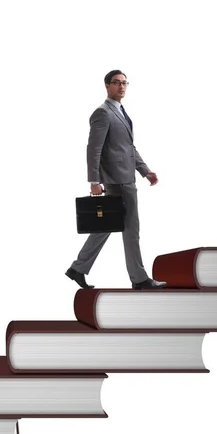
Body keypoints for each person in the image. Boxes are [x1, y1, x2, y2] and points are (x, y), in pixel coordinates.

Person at [66, 70, 167, 290]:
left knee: (108, 224)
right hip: (118, 180)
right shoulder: (102, 113)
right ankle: (139, 279)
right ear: (107, 86)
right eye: (116, 82)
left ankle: (78, 268)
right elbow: (94, 149)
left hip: (126, 176)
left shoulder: (120, 111)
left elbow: (128, 148)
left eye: (124, 83)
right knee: (131, 229)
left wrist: (145, 170)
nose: (121, 87)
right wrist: (94, 180)